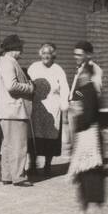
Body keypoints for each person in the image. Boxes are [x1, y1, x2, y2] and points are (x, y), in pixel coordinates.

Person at [68, 61, 108, 214]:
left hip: (89, 140)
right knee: (83, 179)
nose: (80, 76)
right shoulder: (84, 90)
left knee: (91, 178)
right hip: (84, 139)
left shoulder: (89, 90)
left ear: (88, 75)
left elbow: (89, 116)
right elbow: (75, 101)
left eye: (82, 73)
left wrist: (77, 115)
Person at [0, 34, 35, 187]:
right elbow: (12, 86)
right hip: (14, 110)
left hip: (8, 111)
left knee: (8, 145)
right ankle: (19, 177)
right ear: (14, 49)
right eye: (20, 49)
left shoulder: (5, 62)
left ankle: (7, 175)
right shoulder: (8, 63)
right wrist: (29, 87)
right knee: (18, 145)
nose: (21, 52)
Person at [27, 43, 70, 179]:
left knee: (51, 137)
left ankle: (47, 164)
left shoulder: (58, 69)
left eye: (49, 53)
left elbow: (64, 88)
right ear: (40, 54)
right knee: (34, 136)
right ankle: (32, 164)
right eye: (44, 53)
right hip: (37, 107)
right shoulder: (33, 68)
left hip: (53, 107)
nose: (46, 55)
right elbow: (27, 84)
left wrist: (64, 106)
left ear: (53, 56)